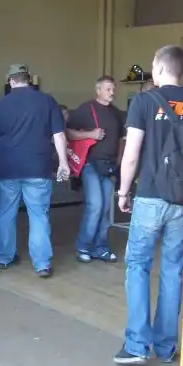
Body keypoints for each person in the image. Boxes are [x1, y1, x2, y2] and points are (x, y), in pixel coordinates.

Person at [114, 45, 183, 365]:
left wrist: (123, 191)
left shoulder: (144, 101)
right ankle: (165, 346)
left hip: (149, 195)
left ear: (159, 68)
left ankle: (136, 345)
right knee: (173, 270)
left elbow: (131, 153)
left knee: (138, 265)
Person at [0, 64, 70, 278]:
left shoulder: (0, 105)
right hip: (38, 167)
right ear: (29, 79)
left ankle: (5, 257)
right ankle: (41, 264)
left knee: (6, 213)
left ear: (10, 80)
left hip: (7, 168)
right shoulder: (47, 101)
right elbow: (59, 135)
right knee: (39, 215)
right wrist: (63, 162)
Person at [67, 75, 124, 263]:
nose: (112, 92)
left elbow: (122, 140)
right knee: (96, 205)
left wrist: (119, 160)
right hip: (90, 164)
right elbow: (67, 132)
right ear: (98, 90)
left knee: (105, 208)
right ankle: (83, 246)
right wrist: (90, 134)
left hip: (109, 165)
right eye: (108, 89)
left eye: (113, 89)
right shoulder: (86, 109)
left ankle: (101, 248)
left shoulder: (116, 113)